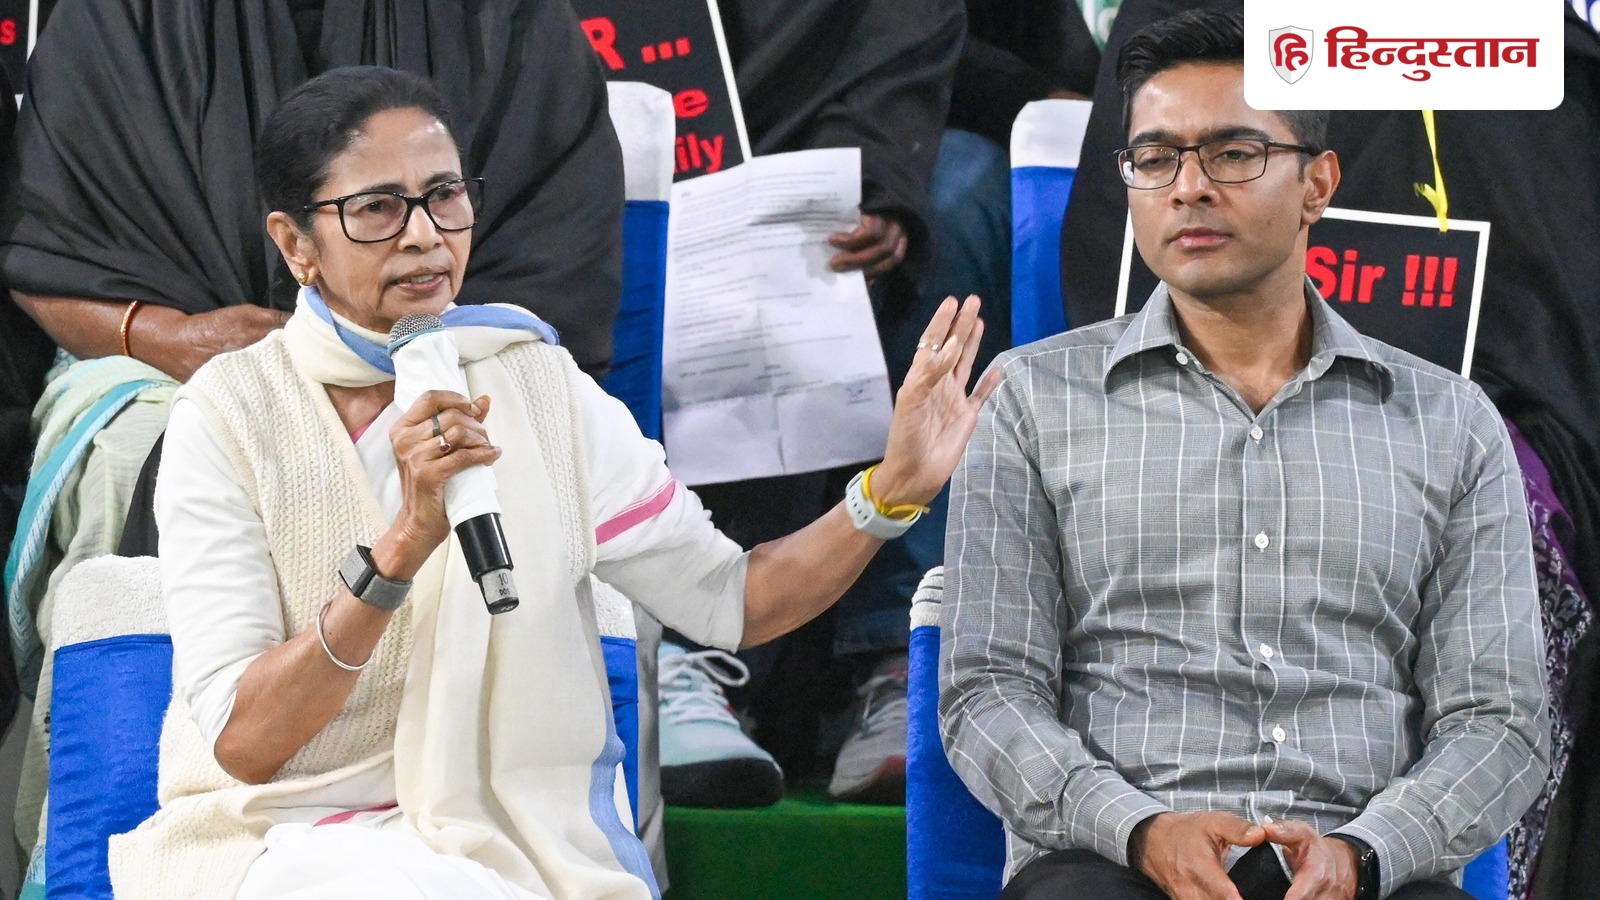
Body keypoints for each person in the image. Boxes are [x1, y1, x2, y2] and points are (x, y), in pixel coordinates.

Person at [108, 66, 996, 899]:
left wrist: (893, 489)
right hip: (283, 840)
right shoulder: (230, 414)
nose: (424, 234)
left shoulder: (538, 384)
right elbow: (247, 743)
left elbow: (735, 600)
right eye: (377, 208)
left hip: (520, 844)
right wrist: (404, 546)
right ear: (295, 243)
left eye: (444, 195)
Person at [0, 0, 626, 868]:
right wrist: (171, 338)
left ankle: (466, 800)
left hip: (453, 355)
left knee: (512, 446)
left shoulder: (506, 18)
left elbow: (557, 265)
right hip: (155, 359)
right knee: (135, 457)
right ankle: (99, 846)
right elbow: (44, 257)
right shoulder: (119, 15)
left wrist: (412, 356)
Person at [941, 11, 1549, 900]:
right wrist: (1139, 830)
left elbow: (1500, 720)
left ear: (1317, 184)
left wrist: (1366, 853)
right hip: (1114, 864)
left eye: (1233, 154)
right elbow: (987, 692)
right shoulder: (1031, 400)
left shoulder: (1449, 421)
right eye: (1156, 158)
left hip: (1359, 865)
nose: (1189, 187)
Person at [657, 0, 966, 809]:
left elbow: (908, 49)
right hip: (635, 160)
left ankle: (899, 652)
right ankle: (678, 652)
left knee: (953, 199)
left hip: (824, 167)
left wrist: (879, 185)